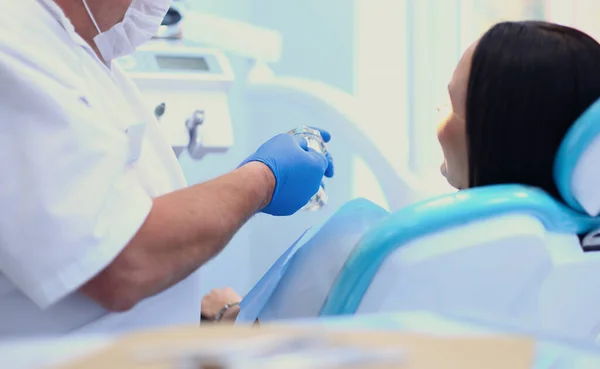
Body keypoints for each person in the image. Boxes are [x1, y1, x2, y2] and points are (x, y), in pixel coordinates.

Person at [202, 20, 600, 322]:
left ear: (495, 134)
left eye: (450, 103)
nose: (437, 113)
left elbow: (261, 352)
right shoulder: (579, 259)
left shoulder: (374, 249)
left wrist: (226, 316)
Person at [0, 0, 333, 337]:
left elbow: (124, 221)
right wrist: (263, 179)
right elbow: (123, 263)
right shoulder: (15, 46)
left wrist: (217, 313)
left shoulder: (87, 59)